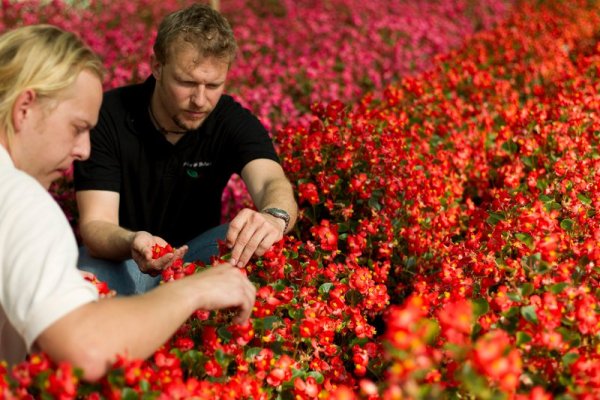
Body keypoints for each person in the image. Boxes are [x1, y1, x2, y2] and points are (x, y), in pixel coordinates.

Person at [0, 24, 256, 381]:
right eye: (77, 127)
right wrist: (196, 289)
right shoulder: (20, 201)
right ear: (25, 107)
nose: (83, 151)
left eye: (212, 85)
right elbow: (85, 348)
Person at [74, 3, 298, 295]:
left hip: (197, 254)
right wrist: (133, 242)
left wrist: (273, 217)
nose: (200, 100)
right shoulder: (109, 116)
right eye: (186, 82)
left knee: (262, 247)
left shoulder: (231, 120)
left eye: (214, 85)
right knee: (83, 290)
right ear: (157, 67)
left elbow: (271, 181)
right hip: (123, 255)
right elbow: (97, 225)